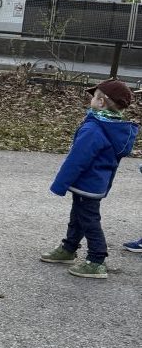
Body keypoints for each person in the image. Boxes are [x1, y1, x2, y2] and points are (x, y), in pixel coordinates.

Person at [41, 78, 138, 279]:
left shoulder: (94, 129)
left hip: (86, 184)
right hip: (96, 185)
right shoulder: (114, 129)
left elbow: (77, 160)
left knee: (89, 221)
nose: (91, 100)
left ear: (101, 102)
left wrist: (60, 184)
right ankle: (69, 248)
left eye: (94, 97)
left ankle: (96, 260)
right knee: (78, 216)